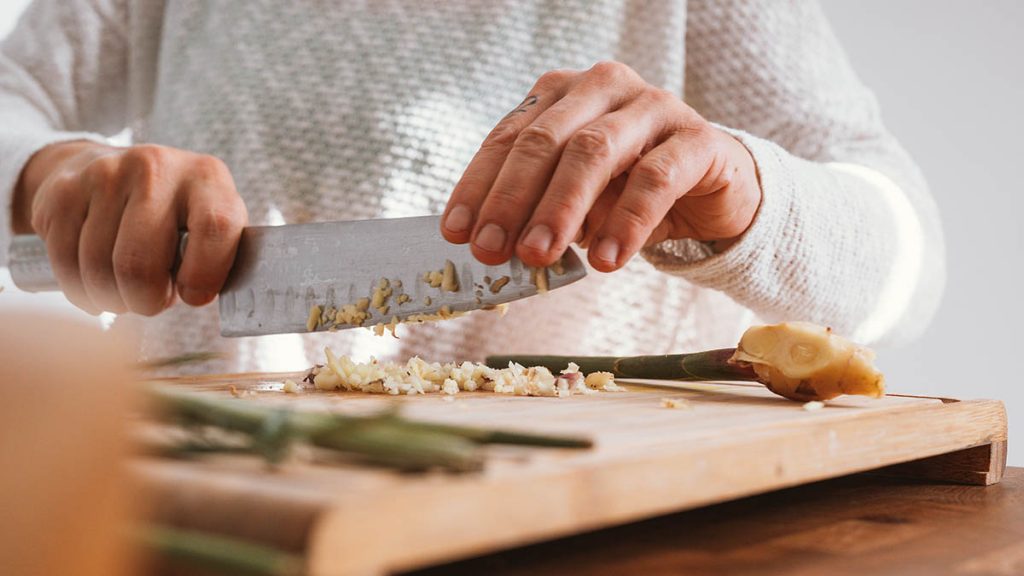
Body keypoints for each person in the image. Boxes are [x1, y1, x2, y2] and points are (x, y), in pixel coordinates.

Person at [0, 0, 944, 372]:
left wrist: (750, 196)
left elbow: (908, 265)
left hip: (593, 526)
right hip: (196, 503)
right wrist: (48, 173)